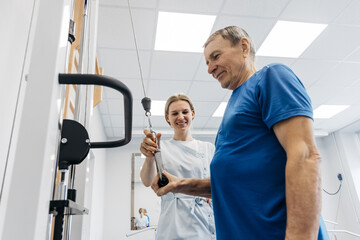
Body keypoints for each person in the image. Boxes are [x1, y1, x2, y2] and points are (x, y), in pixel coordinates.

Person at [150, 26, 329, 240]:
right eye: (207, 62)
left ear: (244, 47)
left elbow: (305, 156)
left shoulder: (270, 77)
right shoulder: (234, 105)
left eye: (215, 57)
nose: (209, 69)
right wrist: (180, 185)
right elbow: (230, 184)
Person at [140, 93, 216, 239]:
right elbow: (147, 181)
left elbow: (217, 185)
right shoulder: (162, 147)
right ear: (167, 117)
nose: (180, 117)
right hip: (173, 224)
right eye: (174, 113)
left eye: (185, 112)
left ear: (192, 114)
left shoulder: (208, 148)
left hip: (203, 222)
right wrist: (150, 157)